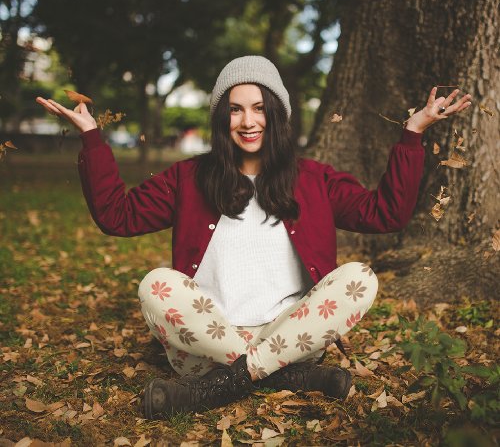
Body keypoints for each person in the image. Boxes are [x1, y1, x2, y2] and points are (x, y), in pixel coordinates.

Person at [36, 56, 472, 419]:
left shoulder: (313, 178)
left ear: (277, 115)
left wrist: (412, 134)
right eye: (236, 108)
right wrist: (92, 139)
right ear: (221, 116)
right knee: (155, 283)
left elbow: (387, 214)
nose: (249, 121)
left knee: (361, 276)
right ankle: (283, 377)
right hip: (204, 347)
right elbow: (117, 217)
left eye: (260, 108)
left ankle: (218, 387)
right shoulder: (189, 177)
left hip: (291, 339)